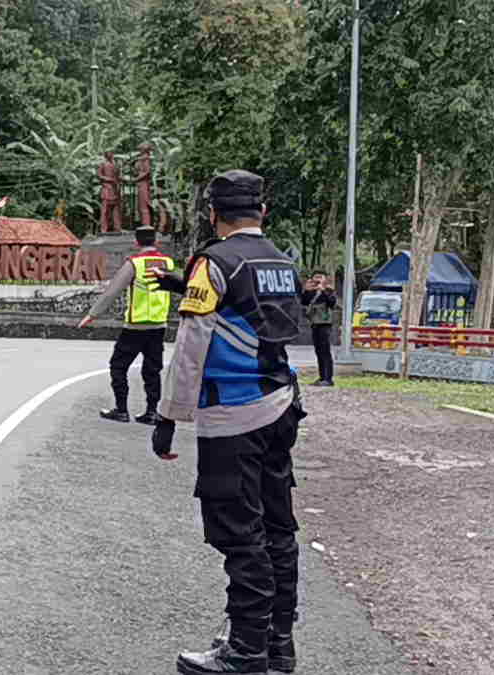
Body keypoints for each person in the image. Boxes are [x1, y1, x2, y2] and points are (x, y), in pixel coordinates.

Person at [149, 171, 305, 674]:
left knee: (241, 535)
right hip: (282, 406)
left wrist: (168, 417)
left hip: (233, 415)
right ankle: (279, 647)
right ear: (262, 213)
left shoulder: (212, 262)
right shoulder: (282, 261)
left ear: (213, 214)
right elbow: (259, 321)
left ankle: (245, 652)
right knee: (278, 529)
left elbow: (192, 349)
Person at [78, 226, 175, 425]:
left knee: (118, 367)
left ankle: (121, 410)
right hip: (158, 325)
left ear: (136, 242)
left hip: (135, 326)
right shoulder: (168, 263)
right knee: (152, 370)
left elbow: (112, 291)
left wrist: (92, 314)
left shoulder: (135, 264)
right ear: (155, 241)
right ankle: (151, 412)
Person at [301, 271, 336, 386]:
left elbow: (332, 303)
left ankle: (328, 379)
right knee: (318, 351)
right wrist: (306, 290)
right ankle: (322, 377)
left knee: (325, 351)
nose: (317, 280)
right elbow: (303, 301)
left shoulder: (329, 291)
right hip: (315, 323)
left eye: (320, 277)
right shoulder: (311, 292)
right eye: (315, 277)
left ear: (325, 279)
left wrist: (323, 290)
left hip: (325, 324)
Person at [98, 151, 124, 233]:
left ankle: (118, 228)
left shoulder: (116, 165)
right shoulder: (103, 164)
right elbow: (99, 175)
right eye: (109, 153)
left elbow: (118, 175)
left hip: (115, 189)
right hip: (107, 189)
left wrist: (121, 179)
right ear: (106, 155)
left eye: (112, 153)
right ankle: (103, 229)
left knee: (116, 210)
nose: (111, 155)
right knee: (105, 210)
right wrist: (107, 179)